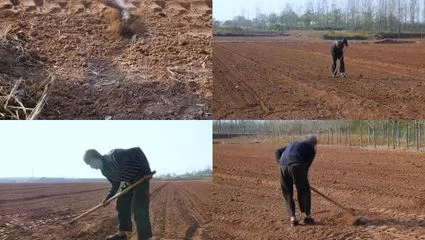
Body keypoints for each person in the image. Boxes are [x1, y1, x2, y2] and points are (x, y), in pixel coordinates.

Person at [84, 147, 153, 240]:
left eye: (90, 164)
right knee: (121, 202)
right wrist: (108, 197)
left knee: (138, 208)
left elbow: (137, 151)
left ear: (94, 158)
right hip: (128, 181)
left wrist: (146, 170)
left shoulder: (114, 156)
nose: (91, 167)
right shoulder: (104, 171)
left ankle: (145, 237)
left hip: (140, 177)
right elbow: (115, 184)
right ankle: (122, 234)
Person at [275, 134, 317, 227]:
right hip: (297, 165)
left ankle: (293, 218)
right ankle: (307, 217)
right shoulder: (311, 149)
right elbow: (307, 166)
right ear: (313, 143)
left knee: (287, 193)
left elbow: (277, 151)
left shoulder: (294, 143)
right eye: (315, 143)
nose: (315, 145)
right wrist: (301, 179)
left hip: (282, 166)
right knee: (304, 190)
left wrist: (282, 164)